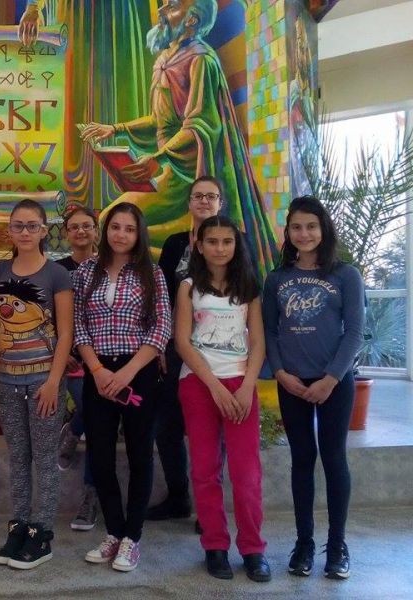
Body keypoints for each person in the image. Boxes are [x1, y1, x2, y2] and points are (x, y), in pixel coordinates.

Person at [79, 0, 278, 278]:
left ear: (192, 20)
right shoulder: (164, 59)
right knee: (115, 223)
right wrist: (115, 129)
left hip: (187, 176)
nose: (161, 12)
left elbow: (200, 124)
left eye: (172, 7)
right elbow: (159, 122)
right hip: (168, 170)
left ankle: (164, 277)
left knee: (112, 221)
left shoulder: (201, 60)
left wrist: (159, 159)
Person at [262, 196, 365, 580]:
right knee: (302, 460)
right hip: (292, 383)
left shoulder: (345, 275)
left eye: (311, 226)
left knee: (334, 459)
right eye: (296, 227)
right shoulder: (277, 279)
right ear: (288, 232)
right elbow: (270, 331)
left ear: (323, 229)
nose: (303, 234)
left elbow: (354, 333)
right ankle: (303, 543)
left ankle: (336, 546)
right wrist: (280, 372)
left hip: (334, 382)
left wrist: (331, 378)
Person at [73, 202, 171, 573]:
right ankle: (113, 531)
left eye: (129, 229)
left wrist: (127, 372)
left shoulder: (152, 273)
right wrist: (97, 369)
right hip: (98, 373)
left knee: (139, 454)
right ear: (105, 230)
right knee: (99, 456)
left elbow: (161, 328)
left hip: (137, 372)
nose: (121, 234)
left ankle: (132, 538)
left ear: (138, 233)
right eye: (115, 227)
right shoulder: (86, 272)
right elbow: (78, 324)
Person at [175, 215, 270, 582]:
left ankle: (253, 549)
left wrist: (245, 387)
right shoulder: (188, 287)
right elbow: (183, 343)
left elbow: (258, 342)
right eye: (212, 241)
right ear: (199, 246)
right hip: (199, 384)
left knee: (247, 474)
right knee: (204, 470)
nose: (219, 248)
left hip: (241, 386)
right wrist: (215, 387)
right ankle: (214, 545)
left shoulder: (249, 288)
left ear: (236, 245)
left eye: (227, 241)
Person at [0, 199, 74, 570]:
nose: (25, 232)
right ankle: (19, 525)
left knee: (44, 458)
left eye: (32, 226)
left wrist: (54, 381)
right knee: (18, 458)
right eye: (18, 226)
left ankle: (42, 532)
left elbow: (66, 332)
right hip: (7, 383)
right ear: (9, 230)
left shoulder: (57, 274)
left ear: (44, 230)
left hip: (43, 383)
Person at [148, 175, 223, 524]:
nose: (204, 201)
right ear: (189, 203)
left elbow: (245, 293)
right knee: (167, 425)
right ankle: (178, 497)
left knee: (212, 429)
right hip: (176, 346)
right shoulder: (176, 243)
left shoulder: (232, 241)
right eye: (198, 196)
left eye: (211, 196)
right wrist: (161, 344)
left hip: (219, 349)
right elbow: (162, 298)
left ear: (220, 203)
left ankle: (209, 507)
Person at [55, 206, 99, 531]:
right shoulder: (57, 270)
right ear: (66, 233)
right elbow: (46, 316)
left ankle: (73, 431)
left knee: (96, 421)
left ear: (96, 230)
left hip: (106, 359)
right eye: (74, 227)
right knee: (89, 405)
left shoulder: (109, 267)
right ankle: (74, 429)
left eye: (87, 226)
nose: (81, 231)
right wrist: (61, 353)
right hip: (71, 360)